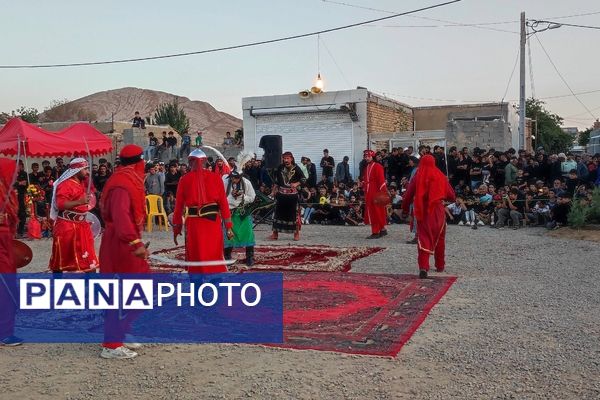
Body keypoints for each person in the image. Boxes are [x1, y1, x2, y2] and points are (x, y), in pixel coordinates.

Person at [98, 144, 149, 359]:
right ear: (140, 162)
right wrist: (134, 242)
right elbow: (120, 217)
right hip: (120, 242)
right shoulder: (122, 184)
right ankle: (111, 344)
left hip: (124, 240)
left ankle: (122, 330)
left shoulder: (126, 179)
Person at [172, 149, 233, 274]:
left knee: (196, 253)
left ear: (190, 162)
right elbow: (223, 205)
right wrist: (228, 227)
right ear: (205, 162)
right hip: (212, 222)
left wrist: (177, 228)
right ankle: (215, 283)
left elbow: (178, 208)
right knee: (213, 251)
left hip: (194, 223)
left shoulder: (184, 179)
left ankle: (197, 285)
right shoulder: (216, 178)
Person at [401, 154, 455, 279]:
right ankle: (440, 265)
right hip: (438, 210)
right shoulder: (440, 175)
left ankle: (424, 267)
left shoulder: (417, 176)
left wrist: (404, 209)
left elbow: (408, 195)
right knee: (440, 238)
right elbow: (452, 195)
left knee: (423, 238)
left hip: (423, 210)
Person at [48, 158, 98, 273]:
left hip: (82, 226)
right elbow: (60, 204)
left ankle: (89, 288)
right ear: (77, 170)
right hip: (67, 227)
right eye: (85, 169)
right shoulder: (65, 185)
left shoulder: (79, 183)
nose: (88, 172)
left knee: (88, 262)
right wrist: (80, 202)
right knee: (63, 262)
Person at [0, 158, 23, 346]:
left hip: (6, 243)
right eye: (12, 171)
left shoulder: (9, 192)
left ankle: (6, 330)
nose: (16, 174)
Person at [223, 170, 256, 267]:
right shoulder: (224, 182)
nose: (233, 180)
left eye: (236, 178)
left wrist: (242, 197)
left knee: (248, 233)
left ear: (240, 177)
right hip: (229, 212)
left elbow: (252, 197)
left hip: (243, 212)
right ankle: (227, 257)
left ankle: (250, 256)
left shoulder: (246, 183)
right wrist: (231, 197)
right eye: (232, 177)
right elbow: (220, 197)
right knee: (228, 235)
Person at [269, 152, 302, 241]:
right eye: (284, 158)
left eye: (288, 158)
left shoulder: (297, 168)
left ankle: (296, 234)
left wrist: (296, 183)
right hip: (281, 195)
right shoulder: (280, 168)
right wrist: (273, 191)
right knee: (278, 214)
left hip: (292, 196)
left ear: (292, 158)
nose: (286, 160)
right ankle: (275, 234)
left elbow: (304, 179)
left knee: (293, 215)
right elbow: (277, 181)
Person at [362, 149, 388, 239]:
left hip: (376, 192)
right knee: (374, 211)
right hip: (369, 192)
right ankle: (382, 229)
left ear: (372, 156)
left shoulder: (378, 166)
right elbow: (365, 180)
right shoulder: (367, 167)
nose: (366, 158)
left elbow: (381, 180)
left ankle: (376, 232)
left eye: (368, 156)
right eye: (365, 157)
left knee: (376, 211)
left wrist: (383, 192)